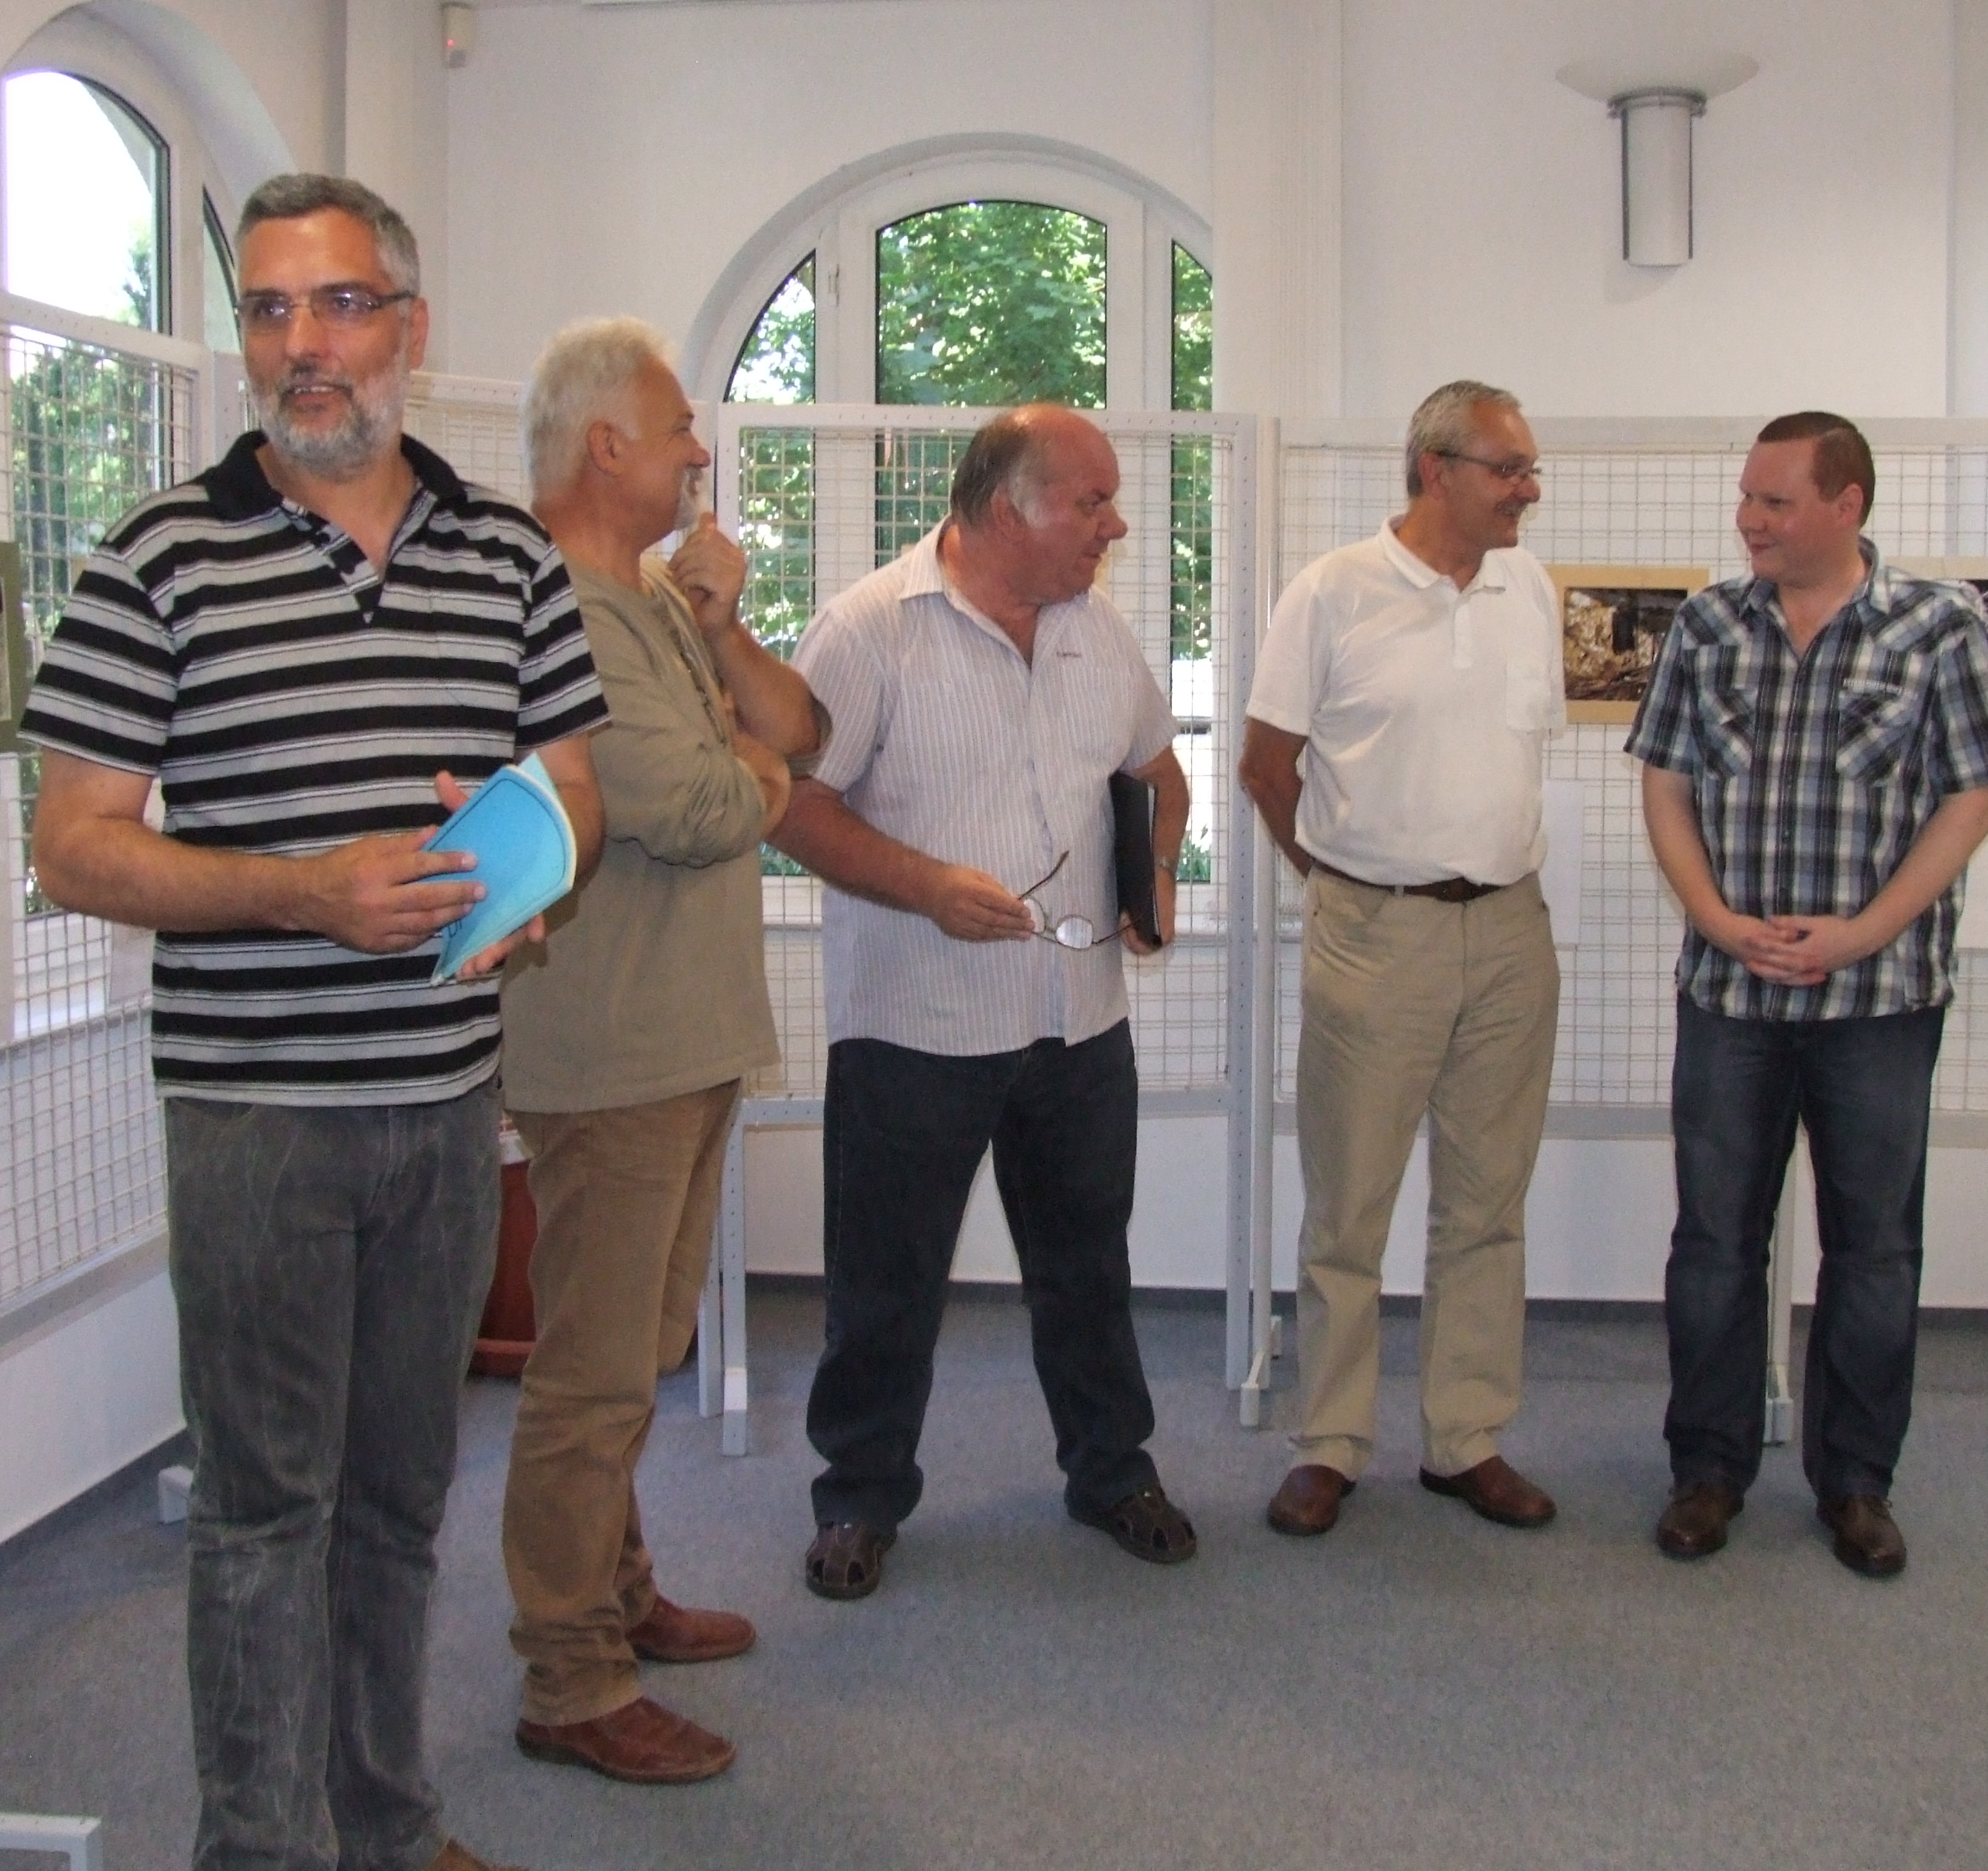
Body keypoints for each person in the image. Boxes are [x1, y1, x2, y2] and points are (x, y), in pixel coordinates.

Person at [23, 174, 606, 1871]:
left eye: (340, 304)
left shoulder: (507, 556)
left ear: (409, 327)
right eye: (269, 310)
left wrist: (529, 883)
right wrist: (304, 894)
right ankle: (262, 1853)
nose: (304, 344)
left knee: (400, 1502)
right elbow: (72, 847)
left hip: (444, 1109)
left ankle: (388, 1825)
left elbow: (569, 785)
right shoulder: (157, 558)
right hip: (255, 1117)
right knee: (264, 1515)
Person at [775, 403, 1196, 1598]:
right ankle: (858, 1499)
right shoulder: (868, 630)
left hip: (1078, 1021)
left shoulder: (1096, 629)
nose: (1115, 526)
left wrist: (1155, 874)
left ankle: (1112, 1473)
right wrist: (926, 888)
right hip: (916, 1024)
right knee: (885, 1285)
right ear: (1011, 507)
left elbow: (1160, 775)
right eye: (1094, 502)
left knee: (1087, 1271)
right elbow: (791, 805)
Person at [495, 321, 825, 1784]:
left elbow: (792, 736)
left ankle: (618, 1600)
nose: (701, 450)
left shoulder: (642, 599)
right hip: (611, 1053)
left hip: (676, 1043)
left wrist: (727, 662)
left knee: (639, 1357)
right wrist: (751, 771)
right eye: (680, 425)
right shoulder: (559, 606)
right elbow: (695, 808)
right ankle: (570, 1681)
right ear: (605, 444)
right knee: (593, 1381)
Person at [1629, 410, 1988, 1578]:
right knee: (1715, 1245)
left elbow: (1971, 798)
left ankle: (1857, 1484)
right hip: (1730, 999)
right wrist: (1714, 919)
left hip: (1882, 1004)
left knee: (1874, 1254)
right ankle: (1707, 1471)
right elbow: (1665, 786)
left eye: (1775, 501)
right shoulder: (1708, 626)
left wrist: (1863, 933)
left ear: (1846, 505)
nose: (1749, 520)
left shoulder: (1938, 626)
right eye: (1746, 498)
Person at [1239, 380, 1566, 1539]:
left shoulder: (1530, 590)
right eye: (1509, 470)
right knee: (1350, 1207)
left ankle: (1465, 1438)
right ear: (1436, 469)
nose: (1529, 490)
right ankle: (1329, 1442)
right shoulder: (1332, 592)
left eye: (1528, 470)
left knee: (1488, 1204)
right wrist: (1340, 881)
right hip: (1376, 934)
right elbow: (1266, 767)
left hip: (1512, 934)